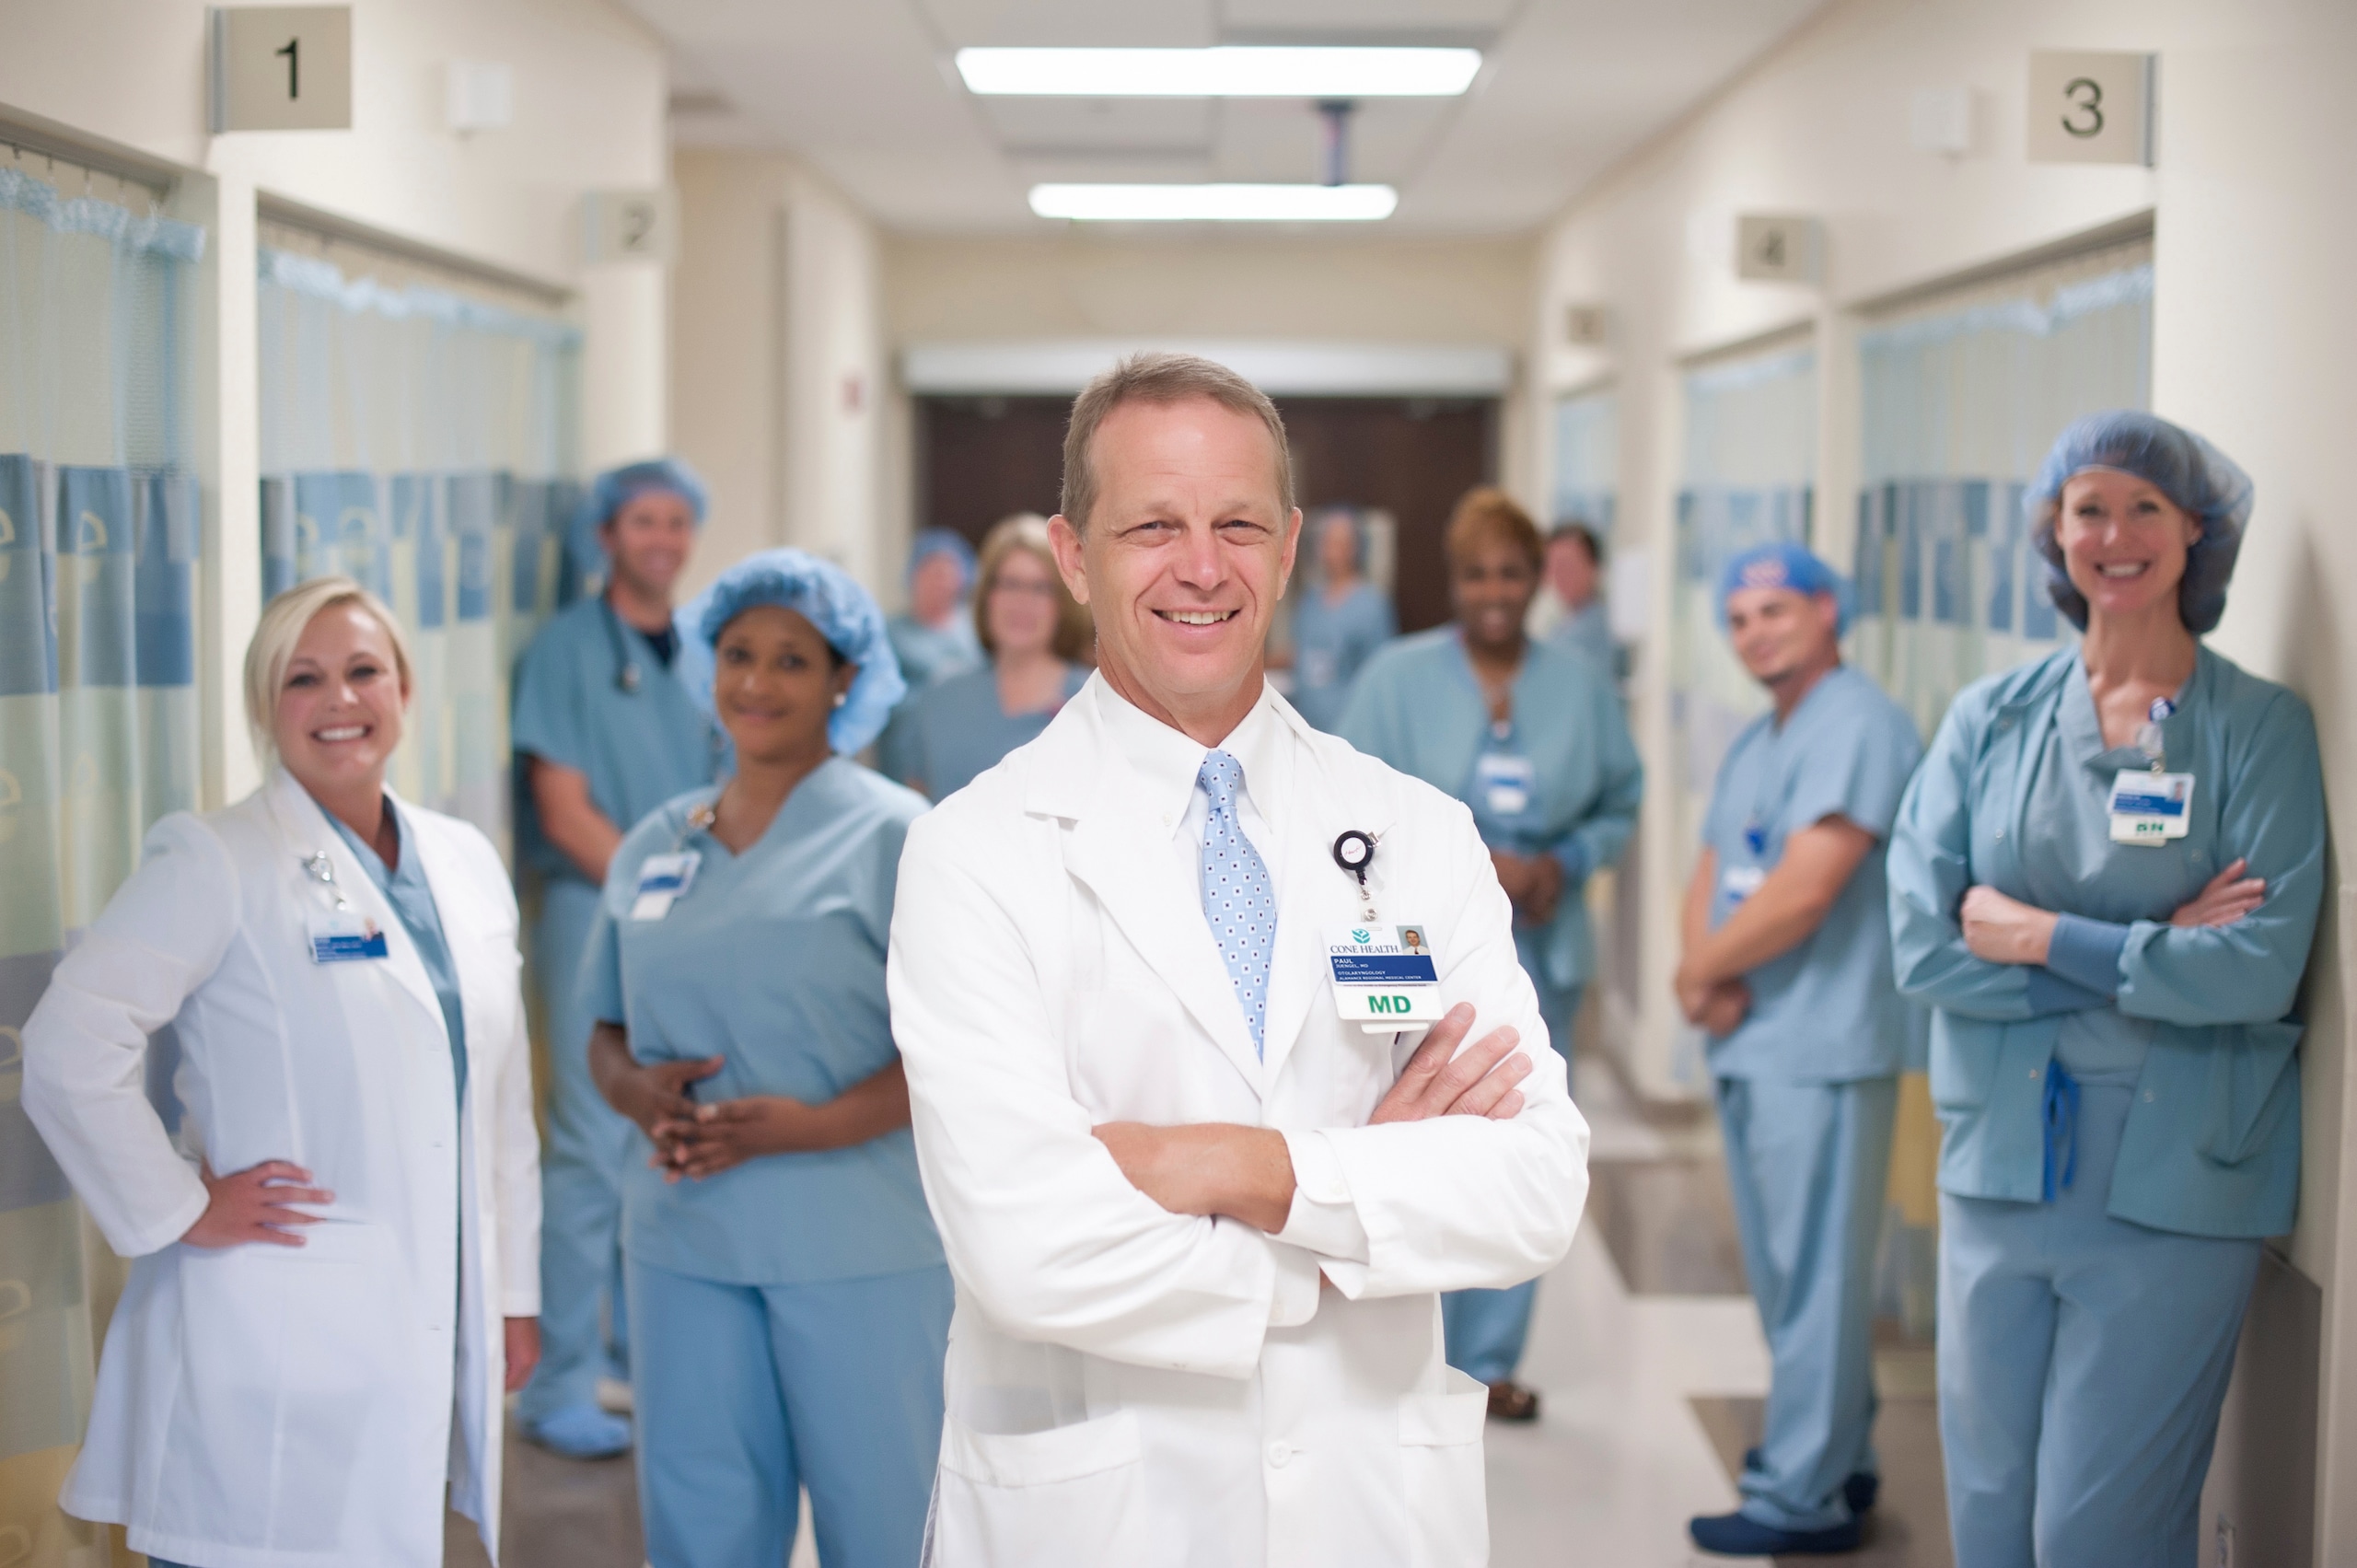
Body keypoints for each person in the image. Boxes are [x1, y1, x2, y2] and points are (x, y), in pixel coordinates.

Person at [888, 353, 1589, 1566]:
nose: (1202, 566)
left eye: (1238, 524)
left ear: (1291, 546)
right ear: (1071, 555)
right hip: (1104, 1512)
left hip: (1367, 1505)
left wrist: (1222, 1163)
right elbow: (1026, 1246)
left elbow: (1533, 1184)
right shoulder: (975, 854)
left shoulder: (1411, 832)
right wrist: (1343, 1220)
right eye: (1152, 524)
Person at [22, 576, 540, 1568]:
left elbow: (500, 1102)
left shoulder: (464, 856)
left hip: (421, 1310)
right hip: (266, 1312)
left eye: (362, 671)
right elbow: (68, 1046)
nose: (339, 699)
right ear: (267, 707)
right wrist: (177, 1206)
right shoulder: (214, 857)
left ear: (404, 687)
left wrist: (513, 1291)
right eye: (304, 679)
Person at [1887, 412, 2324, 1568]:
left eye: (2144, 507)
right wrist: (2143, 952)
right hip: (1997, 1171)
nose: (2115, 534)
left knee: (2095, 1531)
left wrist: (2040, 936)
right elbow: (1922, 946)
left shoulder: (2260, 731)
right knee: (1985, 1513)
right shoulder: (1991, 720)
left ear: (2197, 527)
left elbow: (2258, 966)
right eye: (2089, 507)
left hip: (2176, 1189)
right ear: (2053, 529)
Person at [583, 549, 946, 1568]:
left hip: (856, 1240)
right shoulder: (657, 841)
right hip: (684, 1237)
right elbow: (601, 1028)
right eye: (737, 652)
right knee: (701, 1522)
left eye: (792, 659)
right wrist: (634, 1091)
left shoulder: (898, 837)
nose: (756, 680)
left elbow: (959, 1050)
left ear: (846, 676)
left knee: (884, 1515)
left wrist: (813, 1125)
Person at [1340, 484, 1640, 1423]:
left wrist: (1564, 860)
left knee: (1517, 1131)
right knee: (1399, 1128)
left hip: (1543, 941)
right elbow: (1346, 803)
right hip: (1398, 949)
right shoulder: (1394, 678)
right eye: (1475, 573)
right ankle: (1401, 1344)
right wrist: (1461, 870)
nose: (1494, 590)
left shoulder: (1577, 688)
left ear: (1535, 579)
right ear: (1453, 580)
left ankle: (1487, 1359)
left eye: (1511, 571)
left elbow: (1620, 798)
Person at [1672, 541, 1923, 1557]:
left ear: (1829, 610)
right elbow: (1714, 861)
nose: (1754, 632)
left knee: (1814, 1275)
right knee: (1790, 1275)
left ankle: (1800, 1494)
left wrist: (1701, 974)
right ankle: (1842, 1456)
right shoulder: (1763, 734)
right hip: (1757, 1037)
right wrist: (1702, 964)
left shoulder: (1858, 723)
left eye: (1775, 609)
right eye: (1737, 618)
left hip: (1819, 1041)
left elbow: (1809, 886)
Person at [510, 457, 725, 1458]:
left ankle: (638, 1357)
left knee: (666, 1134)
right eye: (644, 519)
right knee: (591, 1146)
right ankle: (556, 1380)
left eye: (677, 521)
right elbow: (562, 806)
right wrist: (660, 897)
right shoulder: (564, 651)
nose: (663, 538)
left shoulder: (702, 653)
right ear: (606, 534)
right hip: (590, 914)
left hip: (684, 923)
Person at [876, 513, 1089, 800]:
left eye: (1040, 588)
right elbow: (917, 809)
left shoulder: (1092, 701)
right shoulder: (941, 700)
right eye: (1010, 584)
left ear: (1062, 602)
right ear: (987, 595)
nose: (1022, 602)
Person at [1283, 505, 1396, 732]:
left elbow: (1381, 673)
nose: (1330, 550)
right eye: (1325, 542)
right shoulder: (1310, 601)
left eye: (1339, 542)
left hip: (1351, 729)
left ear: (1355, 547)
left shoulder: (1371, 605)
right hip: (1306, 726)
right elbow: (1304, 654)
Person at [885, 527, 986, 691]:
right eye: (931, 573)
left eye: (946, 575)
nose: (939, 583)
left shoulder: (979, 627)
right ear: (912, 576)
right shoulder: (892, 633)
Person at [1526, 519, 1613, 671]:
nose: (1561, 575)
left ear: (1594, 567)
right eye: (1554, 566)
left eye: (1568, 565)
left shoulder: (1593, 629)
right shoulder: (1565, 623)